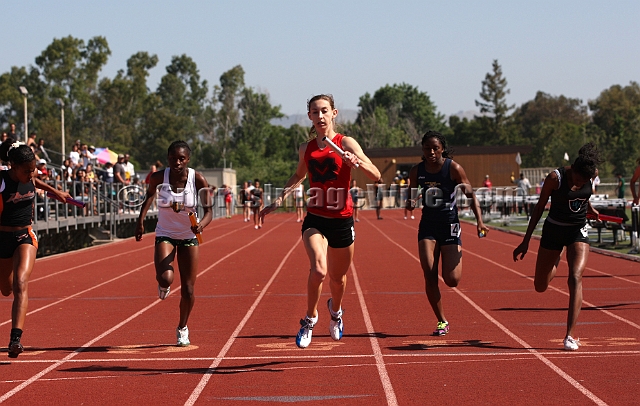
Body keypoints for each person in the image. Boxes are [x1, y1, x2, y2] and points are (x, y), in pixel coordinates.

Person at [260, 94, 381, 348]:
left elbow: (376, 175)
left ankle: (335, 312)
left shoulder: (346, 142)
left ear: (334, 114)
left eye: (324, 111)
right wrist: (279, 199)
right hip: (315, 218)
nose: (320, 116)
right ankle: (310, 318)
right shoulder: (306, 148)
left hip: (342, 220)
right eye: (315, 112)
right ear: (310, 117)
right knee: (319, 270)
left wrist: (356, 162)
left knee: (338, 280)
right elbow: (298, 175)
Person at [513, 143, 602, 351]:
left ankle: (570, 335)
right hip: (554, 230)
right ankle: (557, 257)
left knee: (576, 277)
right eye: (578, 181)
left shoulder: (591, 174)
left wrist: (590, 208)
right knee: (540, 285)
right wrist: (526, 241)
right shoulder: (556, 178)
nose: (580, 185)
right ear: (573, 170)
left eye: (584, 182)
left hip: (578, 230)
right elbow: (539, 208)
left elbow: (584, 196)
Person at [405, 131, 488, 337]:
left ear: (442, 148)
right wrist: (411, 201)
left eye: (435, 148)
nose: (431, 152)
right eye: (427, 148)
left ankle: (456, 253)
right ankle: (442, 320)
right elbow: (411, 194)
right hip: (428, 226)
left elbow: (470, 195)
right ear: (422, 150)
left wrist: (479, 221)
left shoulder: (453, 168)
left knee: (451, 280)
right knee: (429, 273)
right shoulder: (417, 171)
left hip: (449, 224)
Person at [135, 141, 213, 347]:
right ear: (168, 158)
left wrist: (201, 226)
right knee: (166, 277)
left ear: (188, 159)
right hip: (166, 233)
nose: (177, 162)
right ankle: (163, 284)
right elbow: (150, 196)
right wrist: (140, 221)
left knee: (188, 289)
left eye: (181, 159)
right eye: (173, 158)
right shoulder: (159, 177)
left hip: (189, 235)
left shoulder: (197, 179)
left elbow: (209, 212)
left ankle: (182, 328)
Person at [0, 138, 73, 358]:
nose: (31, 174)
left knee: (21, 281)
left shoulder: (30, 175)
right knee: (6, 288)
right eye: (27, 171)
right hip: (2, 236)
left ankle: (16, 339)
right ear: (13, 166)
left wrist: (57, 192)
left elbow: (36, 182)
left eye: (33, 170)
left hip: (25, 234)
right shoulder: (2, 181)